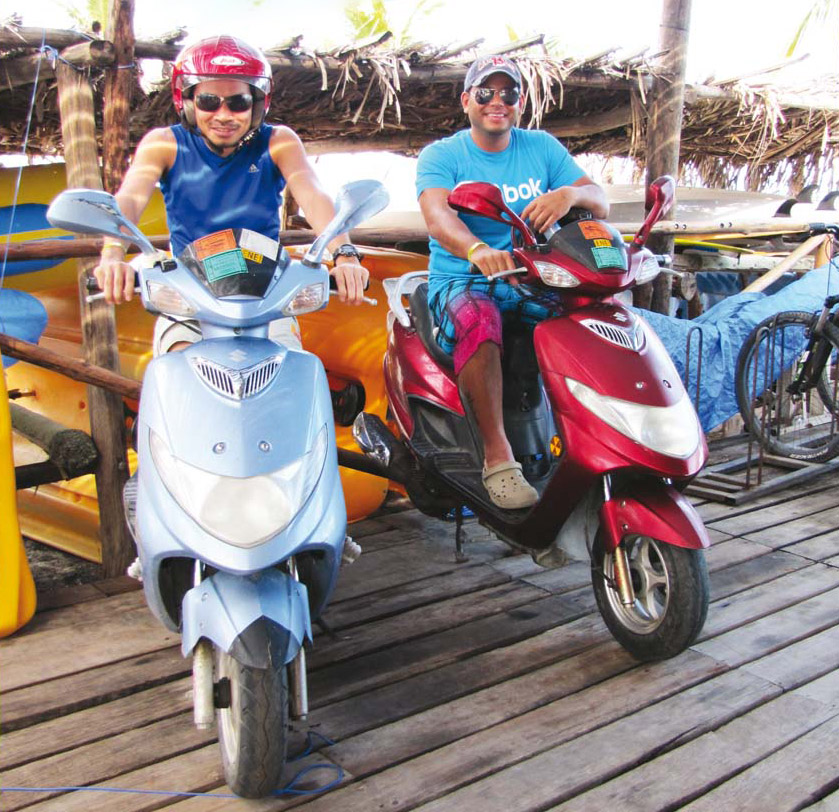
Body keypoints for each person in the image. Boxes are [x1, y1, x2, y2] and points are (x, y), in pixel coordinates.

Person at [416, 55, 609, 510]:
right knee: (478, 320)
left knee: (591, 320)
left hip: (533, 278)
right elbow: (437, 215)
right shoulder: (442, 155)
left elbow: (600, 200)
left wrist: (569, 194)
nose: (497, 102)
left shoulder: (541, 147)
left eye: (509, 93)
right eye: (486, 93)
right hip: (463, 277)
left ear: (520, 102)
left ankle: (594, 436)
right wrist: (477, 250)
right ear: (467, 100)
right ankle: (498, 458)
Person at [94, 35, 368, 354]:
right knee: (178, 364)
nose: (224, 115)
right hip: (189, 291)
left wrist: (344, 255)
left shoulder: (278, 142)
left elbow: (313, 194)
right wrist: (112, 253)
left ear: (257, 104)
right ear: (187, 101)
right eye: (209, 101)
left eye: (238, 103)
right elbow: (131, 197)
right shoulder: (164, 144)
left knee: (289, 364)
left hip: (265, 294)